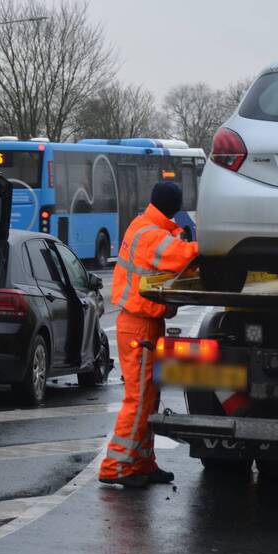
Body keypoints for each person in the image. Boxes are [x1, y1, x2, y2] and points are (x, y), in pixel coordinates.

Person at [100, 181, 199, 489]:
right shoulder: (153, 235)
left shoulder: (145, 226)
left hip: (143, 321)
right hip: (139, 324)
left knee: (149, 398)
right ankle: (115, 465)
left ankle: (142, 461)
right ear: (175, 206)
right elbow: (183, 255)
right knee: (139, 398)